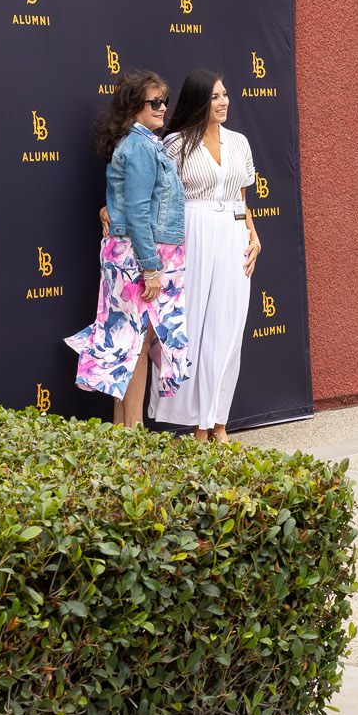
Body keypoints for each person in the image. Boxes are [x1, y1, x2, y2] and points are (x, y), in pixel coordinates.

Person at [66, 70, 188, 427]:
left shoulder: (143, 144)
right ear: (134, 107)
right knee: (134, 346)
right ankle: (133, 435)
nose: (162, 107)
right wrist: (150, 268)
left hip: (135, 253)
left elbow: (127, 205)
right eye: (154, 102)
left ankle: (123, 434)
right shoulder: (139, 147)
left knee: (128, 345)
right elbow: (137, 211)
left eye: (165, 101)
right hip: (140, 257)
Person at [153, 69, 261, 442]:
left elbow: (242, 200)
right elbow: (159, 197)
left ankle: (219, 422)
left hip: (233, 236)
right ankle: (198, 425)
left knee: (227, 329)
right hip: (192, 236)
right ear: (200, 100)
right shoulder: (175, 144)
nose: (224, 101)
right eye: (215, 96)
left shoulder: (240, 142)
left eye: (225, 94)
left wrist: (254, 236)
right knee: (193, 326)